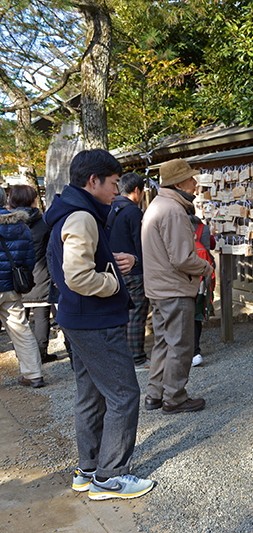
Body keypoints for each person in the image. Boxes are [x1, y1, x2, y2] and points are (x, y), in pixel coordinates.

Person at [44, 148, 153, 500]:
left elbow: (65, 266)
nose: (116, 190)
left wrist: (114, 262)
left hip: (78, 318)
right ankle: (110, 476)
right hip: (95, 319)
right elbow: (78, 275)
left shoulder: (68, 211)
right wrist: (115, 282)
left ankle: (88, 470)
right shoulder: (82, 216)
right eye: (113, 182)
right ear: (94, 181)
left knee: (90, 396)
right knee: (124, 394)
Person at [141, 158, 213, 415]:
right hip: (174, 288)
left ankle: (155, 394)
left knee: (163, 342)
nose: (195, 183)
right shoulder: (173, 210)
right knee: (181, 344)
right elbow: (182, 258)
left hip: (160, 287)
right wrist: (205, 267)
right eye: (191, 178)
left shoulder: (157, 205)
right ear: (180, 182)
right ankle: (175, 397)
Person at [0, 194, 45, 388]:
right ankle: (33, 374)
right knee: (21, 329)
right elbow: (29, 259)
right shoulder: (20, 226)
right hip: (11, 287)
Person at [7, 185, 55, 364]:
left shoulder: (8, 224)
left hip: (13, 278)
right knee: (42, 317)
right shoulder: (43, 224)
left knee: (17, 321)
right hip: (40, 277)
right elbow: (51, 252)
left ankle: (23, 356)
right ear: (32, 200)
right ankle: (41, 354)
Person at [107, 172, 149, 371]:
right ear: (136, 191)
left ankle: (120, 357)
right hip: (133, 271)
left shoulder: (107, 208)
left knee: (117, 314)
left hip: (112, 271)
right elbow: (141, 245)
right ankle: (137, 358)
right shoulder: (133, 212)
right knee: (136, 314)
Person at [189, 214, 215, 368]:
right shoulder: (203, 228)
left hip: (184, 276)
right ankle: (195, 350)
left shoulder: (179, 225)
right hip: (202, 275)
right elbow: (210, 245)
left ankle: (188, 351)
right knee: (197, 313)